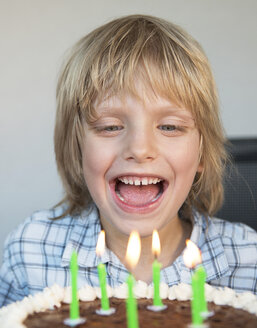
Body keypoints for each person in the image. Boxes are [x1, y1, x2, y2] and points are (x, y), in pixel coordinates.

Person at [0, 14, 256, 307]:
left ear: (201, 152)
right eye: (110, 126)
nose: (139, 148)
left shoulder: (249, 260)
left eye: (169, 126)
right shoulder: (31, 248)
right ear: (77, 148)